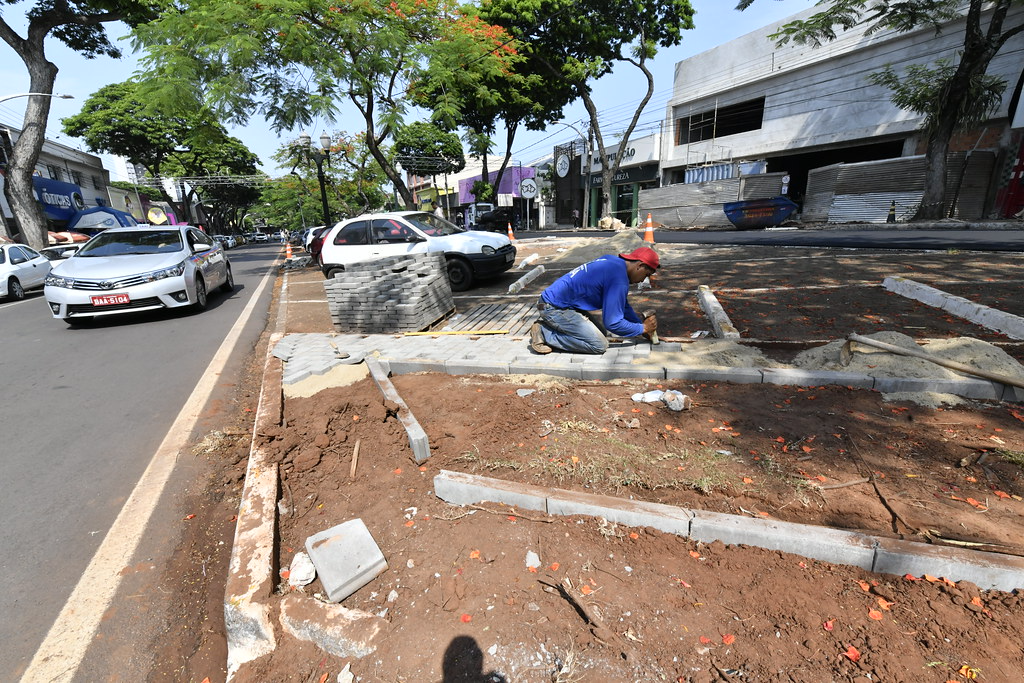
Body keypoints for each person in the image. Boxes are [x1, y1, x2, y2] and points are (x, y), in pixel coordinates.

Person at [530, 246, 659, 355]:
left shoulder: (613, 261)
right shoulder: (618, 279)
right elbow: (613, 323)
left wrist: (644, 330)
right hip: (553, 307)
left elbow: (623, 307)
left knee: (601, 334)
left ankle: (552, 328)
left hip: (563, 303)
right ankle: (544, 332)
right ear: (640, 266)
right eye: (646, 275)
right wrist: (642, 328)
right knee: (598, 344)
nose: (643, 280)